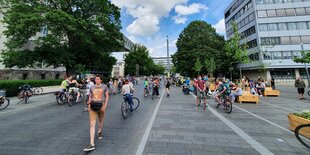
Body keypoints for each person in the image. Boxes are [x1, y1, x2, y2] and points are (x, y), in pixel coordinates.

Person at [84, 75, 109, 152]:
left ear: (101, 80)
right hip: (93, 106)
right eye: (95, 79)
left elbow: (107, 96)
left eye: (98, 79)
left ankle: (100, 131)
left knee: (100, 121)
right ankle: (92, 144)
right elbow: (90, 96)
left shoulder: (104, 87)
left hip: (101, 106)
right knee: (92, 124)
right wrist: (88, 105)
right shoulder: (92, 87)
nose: (96, 80)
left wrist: (105, 105)